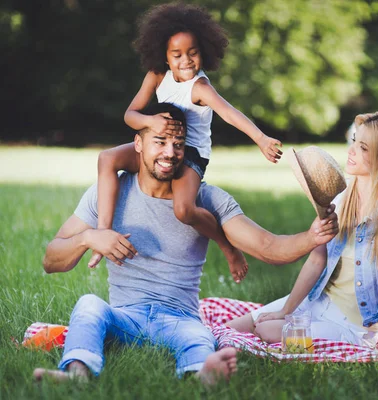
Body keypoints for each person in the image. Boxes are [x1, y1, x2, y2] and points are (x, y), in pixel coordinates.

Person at [33, 103, 339, 383]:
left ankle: (202, 373)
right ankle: (77, 372)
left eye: (178, 144)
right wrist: (89, 237)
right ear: (137, 144)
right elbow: (51, 259)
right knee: (88, 305)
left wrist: (311, 237)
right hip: (125, 316)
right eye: (160, 141)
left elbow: (266, 246)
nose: (170, 152)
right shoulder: (107, 193)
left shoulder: (206, 199)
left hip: (180, 319)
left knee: (199, 336)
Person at [89, 3, 283, 284]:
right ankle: (103, 231)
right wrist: (151, 122)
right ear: (164, 57)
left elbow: (229, 113)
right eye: (177, 55)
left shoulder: (201, 88)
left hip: (189, 154)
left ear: (203, 52)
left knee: (184, 210)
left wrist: (261, 139)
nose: (186, 60)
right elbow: (130, 115)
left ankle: (229, 248)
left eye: (193, 53)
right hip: (159, 141)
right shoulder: (157, 76)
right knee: (107, 159)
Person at [227, 112, 378, 352]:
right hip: (317, 301)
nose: (352, 150)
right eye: (355, 141)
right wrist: (286, 310)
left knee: (265, 331)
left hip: (353, 326)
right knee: (235, 326)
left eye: (363, 148)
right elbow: (316, 261)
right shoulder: (340, 196)